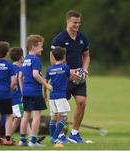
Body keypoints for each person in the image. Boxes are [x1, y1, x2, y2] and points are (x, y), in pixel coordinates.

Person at [50, 10, 90, 143]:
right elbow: (53, 60)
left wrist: (84, 69)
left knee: (82, 102)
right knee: (59, 109)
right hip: (63, 79)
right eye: (74, 22)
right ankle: (60, 135)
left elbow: (86, 55)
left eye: (79, 22)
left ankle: (74, 133)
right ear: (68, 21)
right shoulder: (59, 39)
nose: (77, 25)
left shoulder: (83, 37)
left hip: (79, 77)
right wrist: (68, 72)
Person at [19, 34, 52, 147]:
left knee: (26, 115)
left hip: (26, 92)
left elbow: (20, 76)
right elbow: (35, 74)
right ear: (33, 47)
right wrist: (46, 84)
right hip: (35, 91)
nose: (42, 49)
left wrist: (23, 90)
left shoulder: (25, 59)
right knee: (36, 115)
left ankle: (22, 140)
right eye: (40, 46)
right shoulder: (35, 59)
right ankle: (33, 141)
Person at [45, 46, 70, 144]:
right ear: (64, 56)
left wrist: (45, 95)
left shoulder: (50, 68)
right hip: (61, 96)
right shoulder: (65, 67)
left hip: (52, 97)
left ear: (54, 57)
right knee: (64, 117)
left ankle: (52, 137)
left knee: (54, 117)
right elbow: (69, 78)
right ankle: (54, 138)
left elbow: (46, 82)